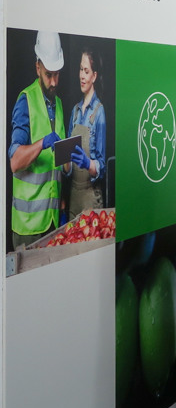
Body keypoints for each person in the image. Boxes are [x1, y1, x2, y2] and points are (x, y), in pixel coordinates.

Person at [9, 31, 67, 248]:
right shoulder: (25, 101)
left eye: (57, 75)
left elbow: (58, 163)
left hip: (53, 222)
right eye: (48, 75)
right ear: (38, 68)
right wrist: (42, 143)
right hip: (28, 228)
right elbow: (15, 162)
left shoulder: (59, 104)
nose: (54, 82)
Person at [67, 48, 107, 217]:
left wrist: (88, 163)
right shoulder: (75, 111)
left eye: (86, 71)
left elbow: (102, 167)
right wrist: (62, 159)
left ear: (94, 76)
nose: (82, 76)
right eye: (80, 69)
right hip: (73, 196)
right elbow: (68, 164)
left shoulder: (99, 112)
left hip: (91, 197)